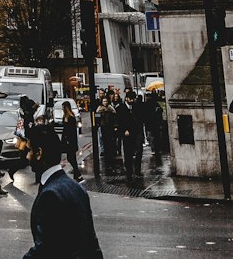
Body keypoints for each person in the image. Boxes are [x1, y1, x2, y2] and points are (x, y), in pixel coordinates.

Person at [22, 127, 103, 259]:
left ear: (39, 153)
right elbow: (91, 243)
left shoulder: (50, 195)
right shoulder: (77, 188)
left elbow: (45, 248)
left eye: (29, 150)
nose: (27, 156)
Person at [117, 89, 144, 184]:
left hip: (136, 132)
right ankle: (129, 172)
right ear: (126, 98)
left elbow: (140, 119)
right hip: (127, 134)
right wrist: (124, 130)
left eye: (133, 99)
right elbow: (119, 122)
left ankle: (137, 170)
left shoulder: (136, 107)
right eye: (131, 99)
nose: (132, 101)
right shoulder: (121, 108)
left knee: (139, 151)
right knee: (128, 153)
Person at [60, 101, 83, 181]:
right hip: (69, 140)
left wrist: (68, 140)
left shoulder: (70, 118)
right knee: (72, 158)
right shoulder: (67, 117)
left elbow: (70, 131)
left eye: (63, 107)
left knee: (71, 158)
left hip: (70, 141)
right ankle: (77, 175)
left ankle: (78, 174)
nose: (62, 109)